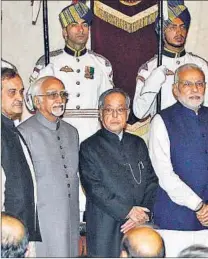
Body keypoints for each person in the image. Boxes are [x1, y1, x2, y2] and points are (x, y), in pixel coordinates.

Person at [29, 1, 114, 221]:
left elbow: (109, 103)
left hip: (91, 133)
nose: (81, 29)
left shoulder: (101, 64)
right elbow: (31, 103)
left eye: (85, 25)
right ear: (64, 30)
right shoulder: (49, 63)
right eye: (74, 25)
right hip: (58, 132)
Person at [149, 64, 208, 256]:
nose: (195, 89)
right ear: (175, 89)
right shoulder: (162, 120)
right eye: (187, 84)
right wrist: (198, 205)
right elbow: (164, 173)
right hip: (176, 221)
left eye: (199, 83)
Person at [79, 88, 159, 257]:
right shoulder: (89, 147)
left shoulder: (138, 143)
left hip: (139, 225)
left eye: (120, 109)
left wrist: (143, 214)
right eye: (109, 110)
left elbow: (152, 181)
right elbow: (94, 189)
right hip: (105, 226)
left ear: (127, 113)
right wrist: (128, 212)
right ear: (101, 113)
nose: (115, 115)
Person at [18, 76, 79, 257]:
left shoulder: (72, 132)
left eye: (63, 94)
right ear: (37, 101)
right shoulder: (23, 133)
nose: (60, 100)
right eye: (52, 95)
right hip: (42, 221)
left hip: (70, 218)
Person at [133, 3, 208, 120]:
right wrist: (154, 80)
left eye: (182, 27)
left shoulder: (200, 65)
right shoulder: (149, 68)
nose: (179, 32)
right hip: (163, 133)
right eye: (172, 27)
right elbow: (139, 112)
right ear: (162, 31)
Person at [1, 68, 41, 255]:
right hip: (7, 236)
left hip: (21, 230)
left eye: (21, 91)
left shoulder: (13, 129)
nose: (19, 97)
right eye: (12, 92)